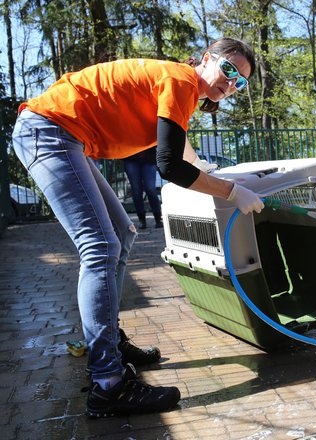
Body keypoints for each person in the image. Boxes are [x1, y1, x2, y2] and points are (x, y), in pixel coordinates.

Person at [11, 38, 264, 418]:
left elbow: (180, 149)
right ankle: (108, 385)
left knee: (122, 233)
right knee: (100, 247)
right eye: (229, 70)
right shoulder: (180, 80)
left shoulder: (183, 90)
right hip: (50, 132)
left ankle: (109, 341)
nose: (231, 84)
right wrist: (231, 191)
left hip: (63, 136)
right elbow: (170, 167)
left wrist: (209, 173)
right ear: (207, 59)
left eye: (239, 83)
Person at [122, 146, 163, 229]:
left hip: (149, 157)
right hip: (130, 157)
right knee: (136, 190)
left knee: (150, 188)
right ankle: (141, 219)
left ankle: (158, 218)